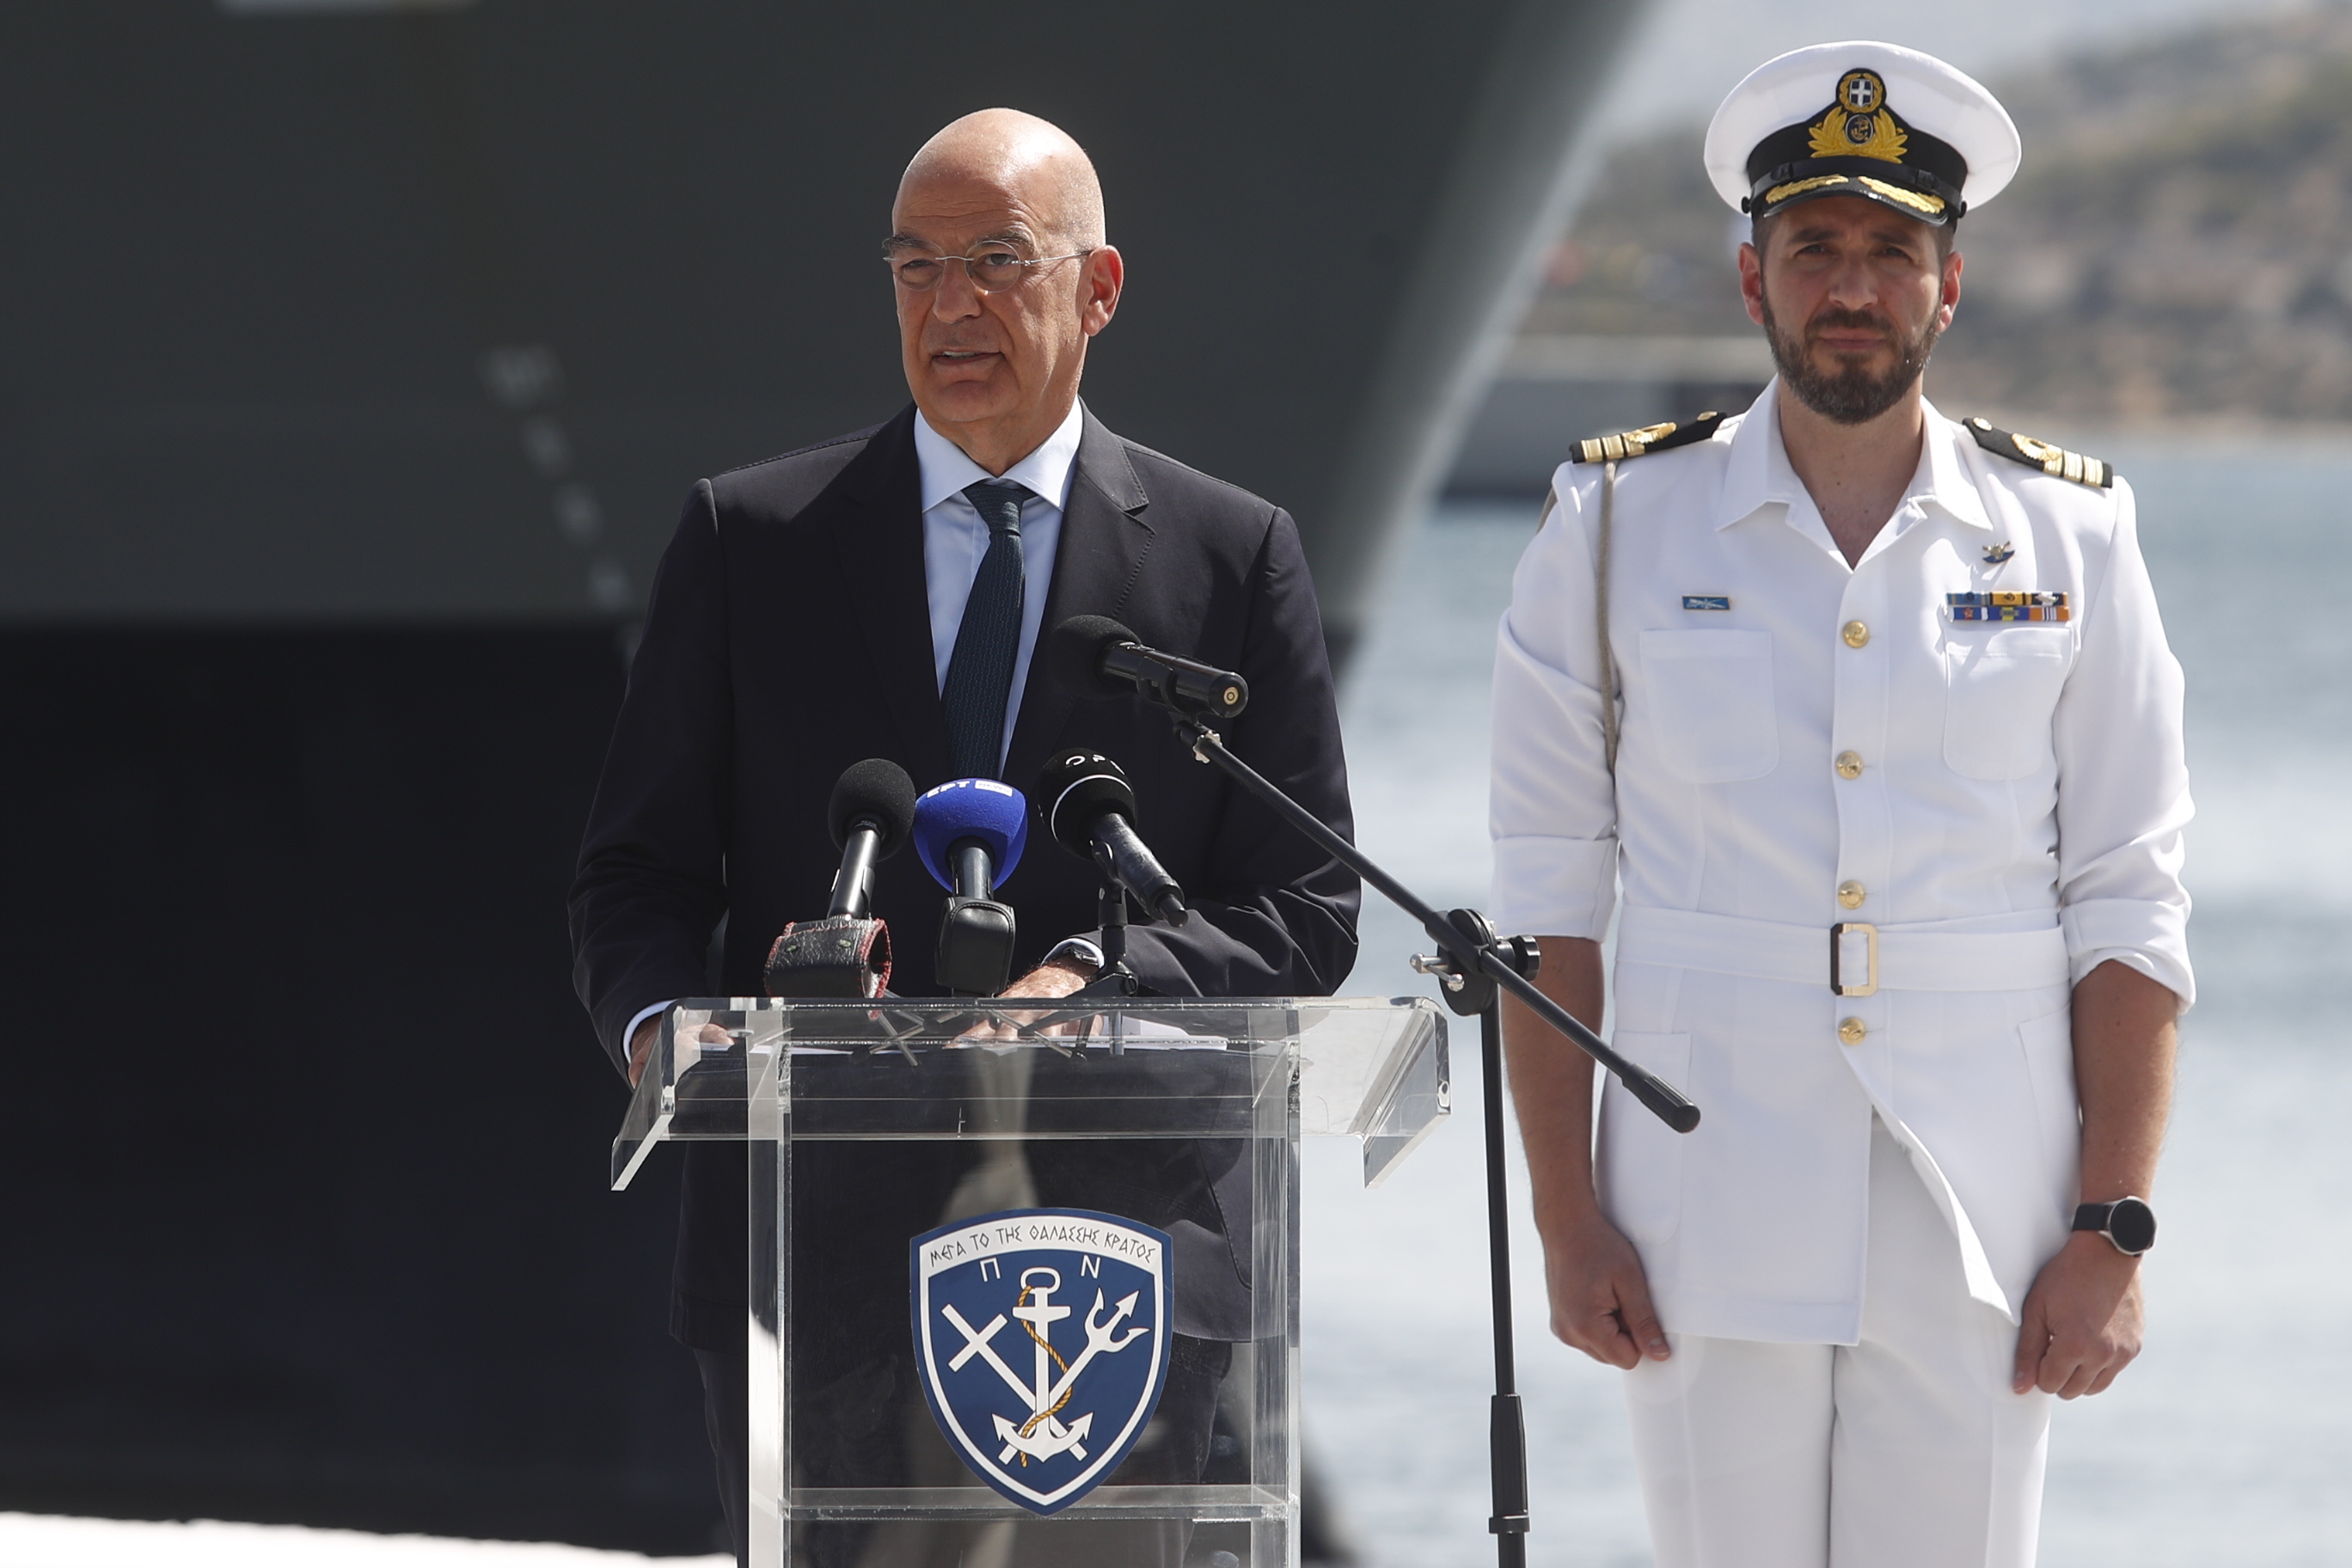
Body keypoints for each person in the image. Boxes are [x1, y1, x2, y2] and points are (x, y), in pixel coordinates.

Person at [568, 108, 1357, 1563]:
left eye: (997, 260)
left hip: (1126, 1266)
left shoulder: (1229, 556)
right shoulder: (753, 541)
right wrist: (663, 1034)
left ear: (1098, 288)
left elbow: (1307, 909)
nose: (950, 307)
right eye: (915, 268)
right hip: (810, 1250)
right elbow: (638, 874)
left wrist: (1093, 979)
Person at [1489, 41, 2190, 1568]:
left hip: (1984, 1207)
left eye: (1892, 252)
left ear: (1951, 286)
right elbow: (1548, 906)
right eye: (1815, 249)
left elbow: (2130, 900)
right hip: (1700, 1192)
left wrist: (2113, 1225)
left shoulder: (2069, 533)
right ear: (1754, 279)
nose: (1853, 288)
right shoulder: (1612, 523)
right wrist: (1565, 1214)